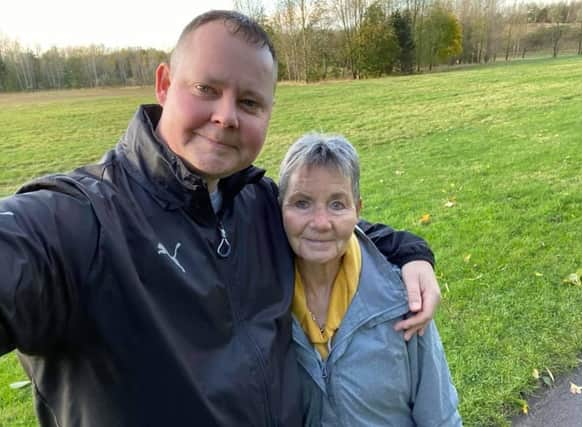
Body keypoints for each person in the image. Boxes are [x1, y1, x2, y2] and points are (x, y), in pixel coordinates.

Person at [0, 10, 441, 427]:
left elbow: (332, 227)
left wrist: (412, 252)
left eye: (249, 102)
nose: (225, 116)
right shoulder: (82, 219)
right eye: (206, 89)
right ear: (164, 84)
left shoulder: (257, 204)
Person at [279, 133, 462, 426]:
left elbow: (440, 416)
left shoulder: (402, 297)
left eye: (337, 204)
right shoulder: (262, 301)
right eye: (302, 203)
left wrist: (415, 253)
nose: (321, 223)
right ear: (280, 209)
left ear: (358, 211)